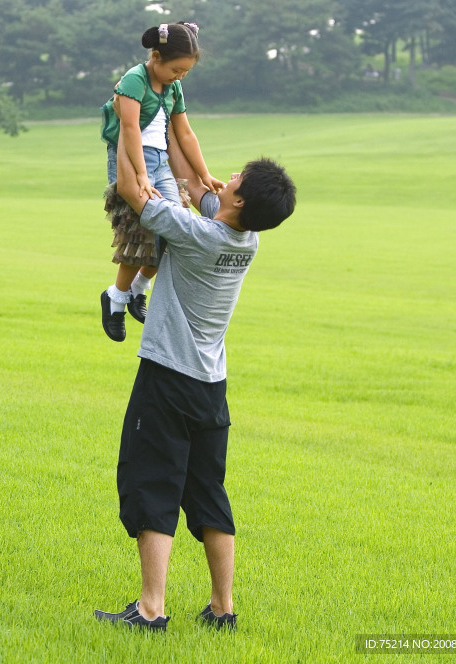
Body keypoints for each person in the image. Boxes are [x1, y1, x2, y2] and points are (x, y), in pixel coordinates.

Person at [94, 127, 296, 632]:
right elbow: (198, 187)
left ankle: (150, 610)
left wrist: (129, 126)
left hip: (168, 378)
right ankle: (223, 609)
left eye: (235, 178)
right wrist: (169, 122)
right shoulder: (245, 241)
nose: (225, 177)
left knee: (152, 483)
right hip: (211, 385)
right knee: (208, 492)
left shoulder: (195, 234)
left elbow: (130, 189)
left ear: (241, 197)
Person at [99, 21, 224, 342]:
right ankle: (115, 298)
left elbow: (185, 133)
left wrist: (204, 174)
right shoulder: (133, 80)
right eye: (176, 69)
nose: (179, 76)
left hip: (161, 161)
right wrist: (140, 175)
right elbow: (129, 130)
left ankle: (139, 287)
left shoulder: (173, 87)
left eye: (185, 72)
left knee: (177, 228)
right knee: (139, 231)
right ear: (155, 57)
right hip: (130, 159)